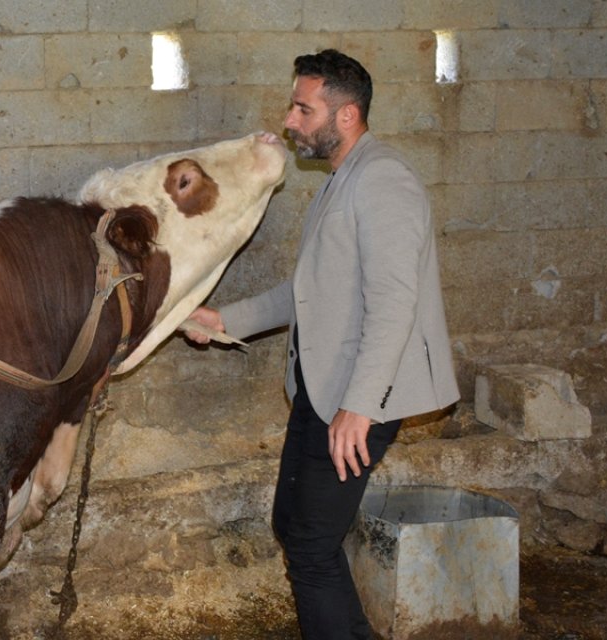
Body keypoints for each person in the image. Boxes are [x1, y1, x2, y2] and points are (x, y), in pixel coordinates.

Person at [185, 49, 460, 639]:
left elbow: (394, 305)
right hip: (323, 388)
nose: (289, 119)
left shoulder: (383, 179)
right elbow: (304, 294)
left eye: (302, 108)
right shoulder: (343, 181)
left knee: (309, 542)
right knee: (298, 525)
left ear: (346, 116)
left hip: (357, 396)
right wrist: (220, 319)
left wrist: (358, 408)